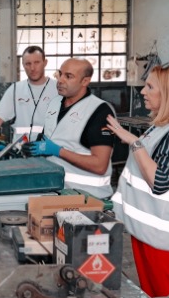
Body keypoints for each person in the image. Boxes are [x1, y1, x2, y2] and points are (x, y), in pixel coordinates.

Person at [107, 62, 169, 298]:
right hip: (147, 230)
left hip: (164, 238)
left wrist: (134, 142)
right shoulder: (162, 127)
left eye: (150, 86)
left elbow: (159, 181)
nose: (143, 92)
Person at [23, 58, 116, 198]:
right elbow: (48, 140)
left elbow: (100, 166)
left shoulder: (99, 111)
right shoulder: (55, 103)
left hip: (89, 198)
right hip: (55, 192)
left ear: (85, 81)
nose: (60, 80)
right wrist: (25, 149)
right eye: (60, 74)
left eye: (68, 76)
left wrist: (58, 151)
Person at [0, 46, 58, 151]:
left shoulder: (58, 89)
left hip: (50, 154)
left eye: (37, 62)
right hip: (21, 154)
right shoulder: (15, 90)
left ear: (45, 62)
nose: (32, 68)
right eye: (28, 64)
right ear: (23, 65)